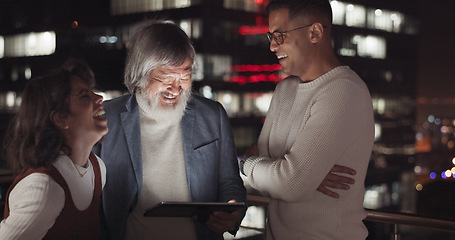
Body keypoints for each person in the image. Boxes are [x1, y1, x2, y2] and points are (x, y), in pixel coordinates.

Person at [92, 21, 247, 240]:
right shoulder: (107, 118)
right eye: (165, 78)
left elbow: (230, 182)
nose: (176, 88)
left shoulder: (212, 115)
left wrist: (233, 211)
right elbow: (92, 200)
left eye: (184, 76)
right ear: (140, 74)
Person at [241, 0, 375, 239]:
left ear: (315, 32)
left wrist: (248, 164)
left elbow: (289, 184)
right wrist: (297, 175)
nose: (272, 46)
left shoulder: (344, 90)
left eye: (280, 35)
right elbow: (281, 174)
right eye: (270, 36)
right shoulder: (285, 89)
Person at [0, 59, 108, 239]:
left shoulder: (97, 169)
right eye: (84, 95)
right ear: (61, 118)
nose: (99, 98)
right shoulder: (43, 189)